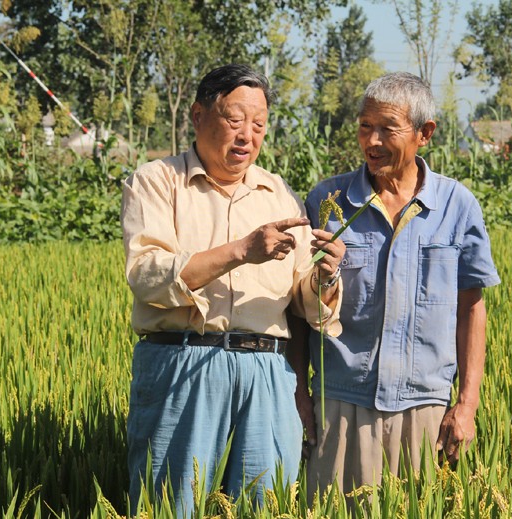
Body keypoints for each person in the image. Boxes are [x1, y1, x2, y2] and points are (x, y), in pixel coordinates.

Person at [120, 64, 345, 515]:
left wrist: (326, 276)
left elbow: (303, 301)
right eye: (234, 119)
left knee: (265, 505)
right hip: (182, 362)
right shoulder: (157, 181)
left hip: (267, 372)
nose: (247, 135)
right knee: (171, 504)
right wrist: (241, 249)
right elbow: (147, 273)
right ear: (198, 115)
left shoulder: (277, 193)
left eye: (258, 124)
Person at [294, 72, 501, 500]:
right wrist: (299, 393)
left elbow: (471, 309)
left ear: (425, 133)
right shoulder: (327, 203)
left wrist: (467, 404)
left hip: (425, 407)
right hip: (341, 403)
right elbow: (297, 310)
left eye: (387, 128)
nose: (372, 140)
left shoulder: (456, 206)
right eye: (364, 126)